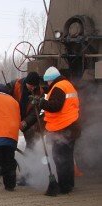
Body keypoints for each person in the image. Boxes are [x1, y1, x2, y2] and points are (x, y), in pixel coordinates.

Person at [36, 66, 81, 194]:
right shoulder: (67, 85)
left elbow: (55, 106)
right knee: (67, 157)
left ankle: (63, 186)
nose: (48, 84)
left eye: (48, 81)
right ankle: (69, 184)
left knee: (60, 157)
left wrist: (41, 102)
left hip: (63, 127)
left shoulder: (58, 87)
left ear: (52, 80)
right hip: (72, 127)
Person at [7, 71, 43, 186]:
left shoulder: (39, 92)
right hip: (11, 117)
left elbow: (35, 112)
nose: (32, 87)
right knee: (6, 143)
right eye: (30, 85)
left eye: (34, 86)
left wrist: (25, 122)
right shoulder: (15, 84)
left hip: (27, 119)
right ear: (26, 82)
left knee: (32, 143)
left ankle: (27, 173)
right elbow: (3, 95)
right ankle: (5, 171)